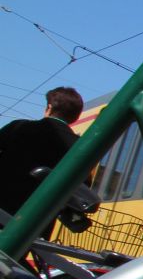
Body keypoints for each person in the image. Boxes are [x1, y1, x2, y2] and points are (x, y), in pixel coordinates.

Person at [0, 87, 84, 234]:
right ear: (76, 117)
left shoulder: (19, 127)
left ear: (49, 108)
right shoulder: (79, 146)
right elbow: (83, 186)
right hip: (37, 222)